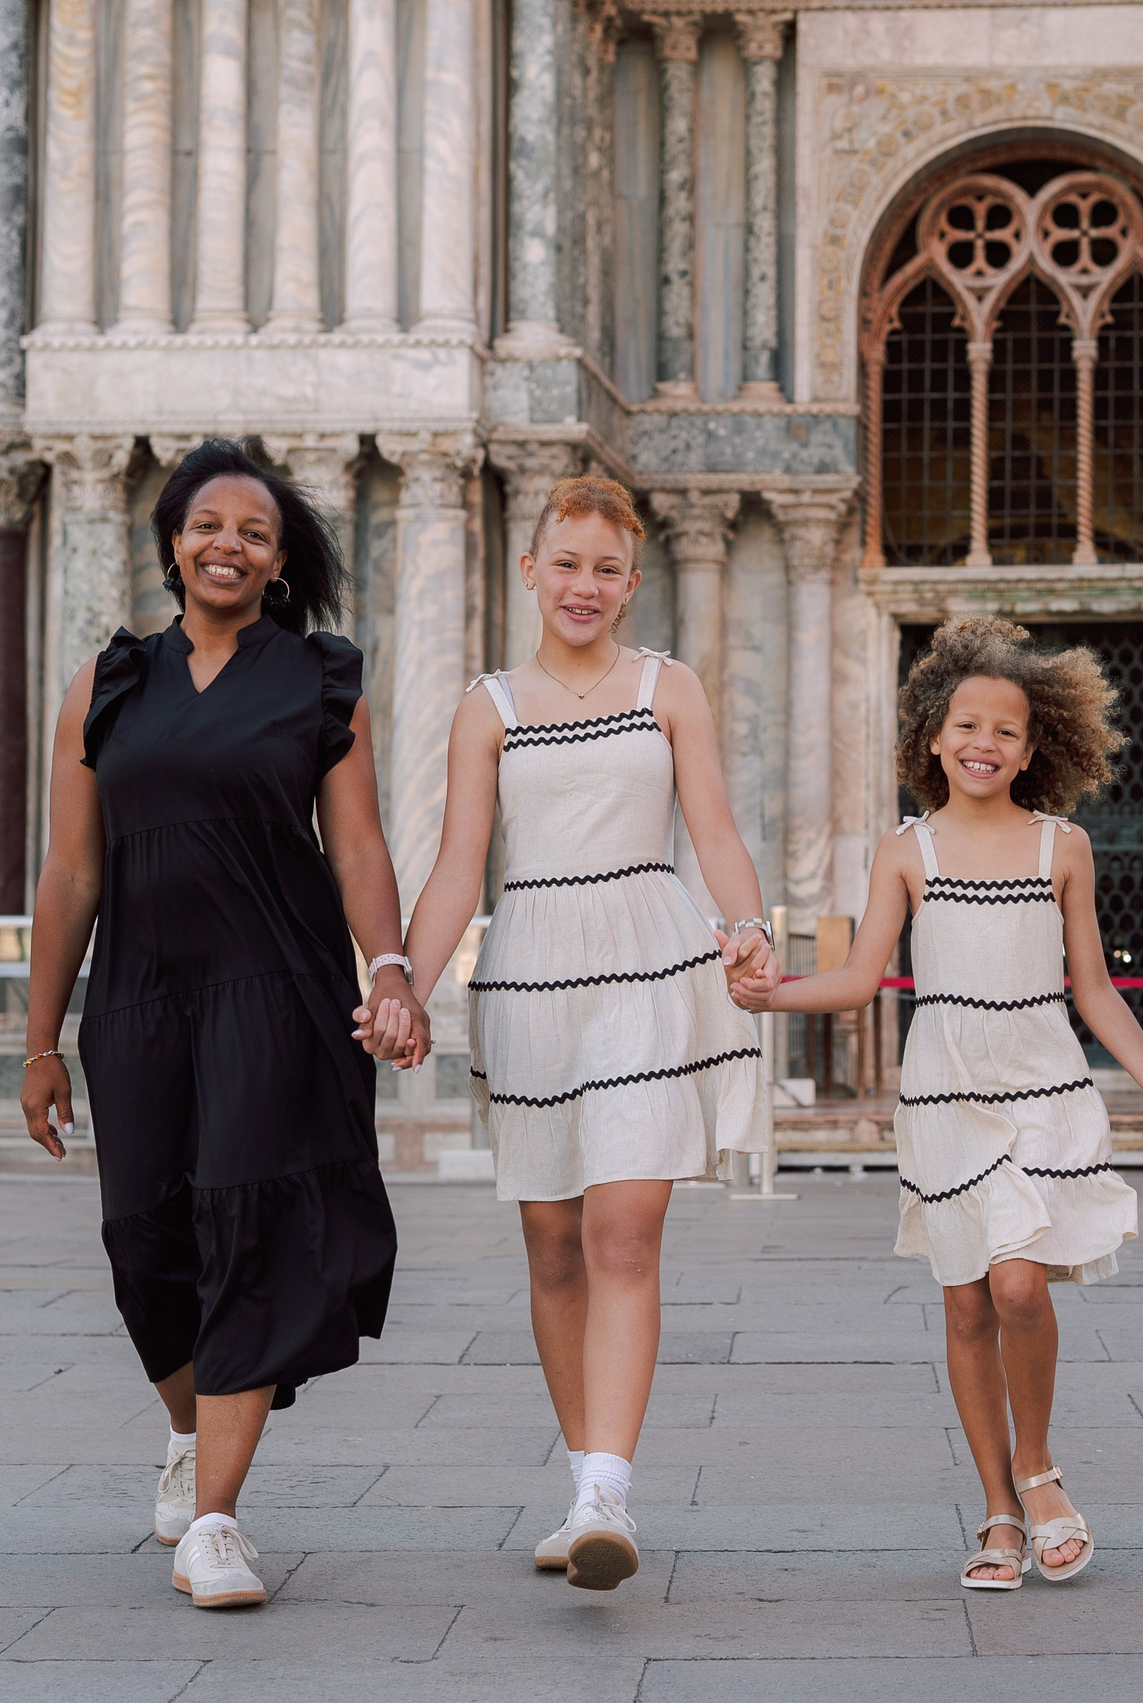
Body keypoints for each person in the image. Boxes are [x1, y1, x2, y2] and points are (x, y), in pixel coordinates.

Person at [21, 438, 422, 1611]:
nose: (228, 544)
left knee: (246, 1226)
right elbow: (71, 872)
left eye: (254, 529)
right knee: (143, 1243)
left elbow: (354, 843)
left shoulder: (318, 676)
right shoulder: (108, 684)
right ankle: (190, 1434)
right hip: (140, 994)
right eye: (207, 525)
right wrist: (40, 1040)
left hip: (276, 985)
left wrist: (388, 967)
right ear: (171, 543)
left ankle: (217, 1519)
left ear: (280, 555)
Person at [734, 617, 1143, 1592]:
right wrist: (771, 991)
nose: (984, 742)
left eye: (1007, 730)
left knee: (1018, 1282)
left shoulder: (1062, 848)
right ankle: (996, 1510)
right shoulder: (908, 850)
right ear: (932, 734)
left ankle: (1038, 1467)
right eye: (966, 723)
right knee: (966, 1298)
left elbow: (1095, 988)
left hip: (1042, 1083)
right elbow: (860, 976)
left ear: (1036, 747)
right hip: (942, 1094)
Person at [400, 475, 773, 1593]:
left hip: (650, 967)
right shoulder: (489, 705)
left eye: (606, 568)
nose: (584, 585)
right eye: (566, 562)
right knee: (552, 1241)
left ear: (632, 581)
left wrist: (747, 922)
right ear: (530, 568)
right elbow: (460, 864)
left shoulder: (669, 688)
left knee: (622, 1231)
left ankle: (607, 1487)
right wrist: (405, 987)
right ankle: (581, 1481)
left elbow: (711, 825)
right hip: (531, 975)